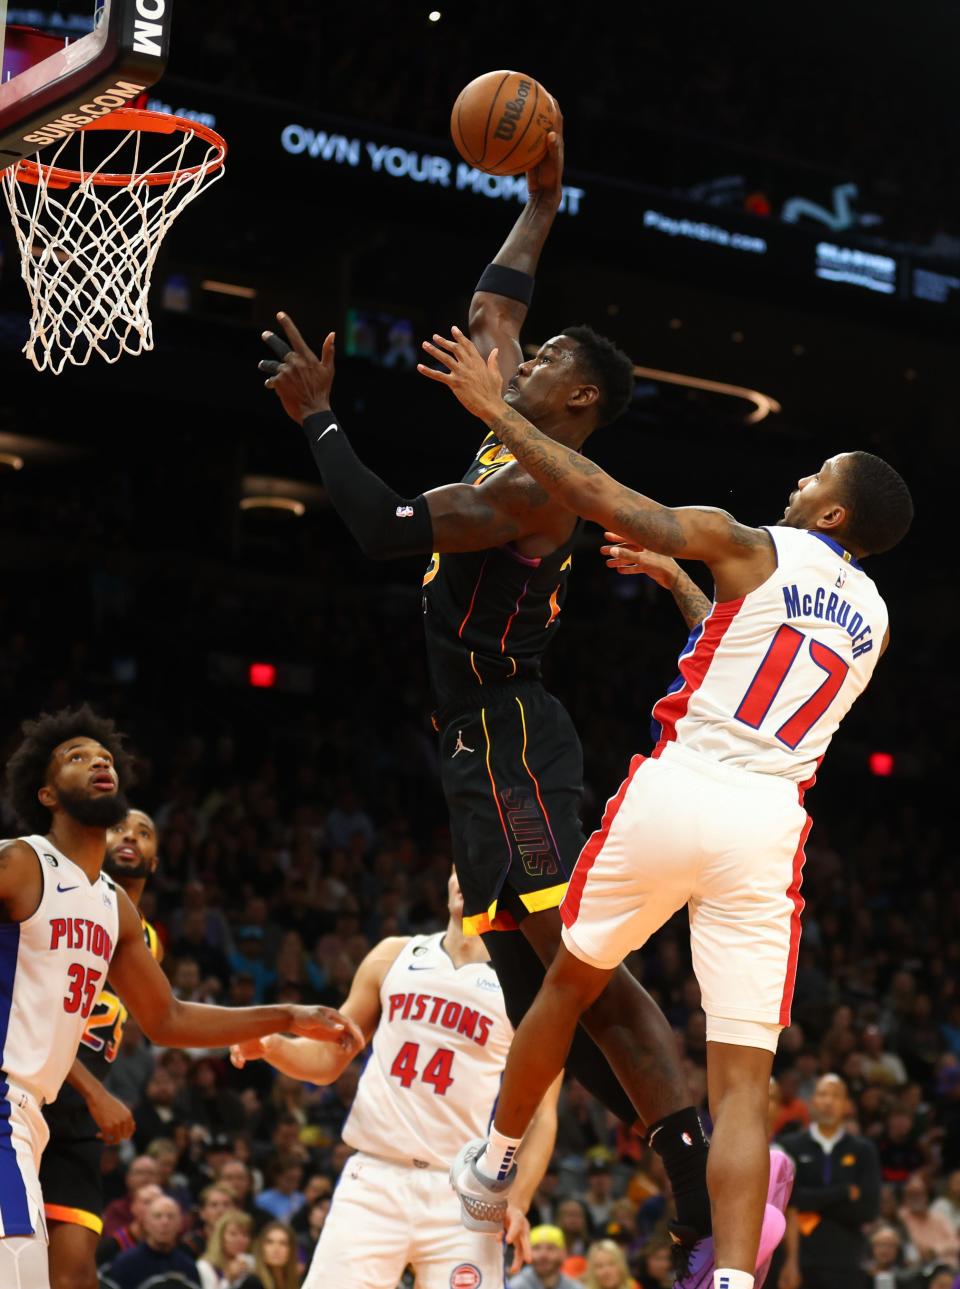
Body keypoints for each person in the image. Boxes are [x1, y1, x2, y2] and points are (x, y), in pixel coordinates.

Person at [257, 123, 788, 1275]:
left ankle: (707, 1183)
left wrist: (318, 414)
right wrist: (543, 202)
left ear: (578, 394)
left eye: (545, 358)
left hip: (512, 728)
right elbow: (495, 307)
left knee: (579, 961)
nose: (521, 354)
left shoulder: (537, 497)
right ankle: (675, 1147)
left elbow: (386, 528)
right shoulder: (515, 428)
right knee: (530, 977)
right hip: (471, 742)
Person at [414, 325, 914, 1289]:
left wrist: (494, 407)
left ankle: (494, 1162)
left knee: (570, 981)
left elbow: (606, 498)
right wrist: (684, 586)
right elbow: (761, 655)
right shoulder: (878, 624)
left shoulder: (754, 540)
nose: (797, 483)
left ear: (835, 507)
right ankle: (730, 1276)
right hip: (770, 826)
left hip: (682, 785)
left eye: (814, 476)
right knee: (742, 1083)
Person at [0, 705, 361, 1289]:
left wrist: (289, 1014)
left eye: (105, 756)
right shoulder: (21, 861)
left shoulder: (113, 907)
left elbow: (167, 1017)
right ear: (46, 794)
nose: (98, 761)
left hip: (31, 1116)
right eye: (76, 756)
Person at [231, 870, 559, 1288]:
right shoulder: (394, 955)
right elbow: (330, 1059)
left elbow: (542, 1114)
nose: (465, 877)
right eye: (459, 865)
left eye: (481, 866)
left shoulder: (528, 988)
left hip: (466, 1194)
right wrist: (274, 1047)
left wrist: (519, 1198)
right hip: (374, 1179)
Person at [40, 806, 163, 1289]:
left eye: (145, 832)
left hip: (79, 1125)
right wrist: (96, 1093)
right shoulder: (62, 906)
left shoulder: (150, 941)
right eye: (119, 828)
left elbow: (168, 1020)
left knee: (74, 1278)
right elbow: (32, 1022)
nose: (131, 835)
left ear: (154, 863)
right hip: (30, 1099)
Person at [778, 1074, 880, 1288]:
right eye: (823, 1094)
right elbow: (789, 1202)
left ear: (846, 1105)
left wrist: (809, 1203)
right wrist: (843, 1192)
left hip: (847, 1261)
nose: (829, 1101)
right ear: (812, 1102)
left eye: (836, 1095)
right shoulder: (790, 1146)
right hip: (800, 1262)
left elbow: (868, 1210)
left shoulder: (864, 1150)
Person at [105, 1192, 199, 1288]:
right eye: (157, 1216)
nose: (165, 1222)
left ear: (180, 1224)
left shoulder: (188, 1267)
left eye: (171, 1216)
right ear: (145, 1223)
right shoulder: (125, 1264)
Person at [509, 1224, 583, 1289]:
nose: (543, 1255)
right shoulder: (515, 1286)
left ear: (563, 1253)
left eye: (550, 1248)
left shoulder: (575, 1287)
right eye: (536, 1248)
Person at [196, 1209, 257, 1289]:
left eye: (245, 1235)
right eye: (233, 1234)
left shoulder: (252, 1262)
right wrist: (229, 1279)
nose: (240, 1240)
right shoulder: (205, 1266)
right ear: (220, 1237)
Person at [250, 1221, 299, 1289]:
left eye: (283, 1243)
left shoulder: (299, 1282)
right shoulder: (252, 1283)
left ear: (291, 1250)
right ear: (261, 1247)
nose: (276, 1249)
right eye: (269, 1242)